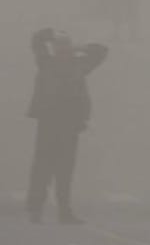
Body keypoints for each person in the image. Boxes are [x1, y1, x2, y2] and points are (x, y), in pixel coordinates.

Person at [26, 28, 108, 224]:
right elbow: (37, 40)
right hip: (48, 122)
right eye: (59, 45)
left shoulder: (78, 64)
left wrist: (77, 46)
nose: (62, 49)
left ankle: (64, 211)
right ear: (53, 47)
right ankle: (35, 210)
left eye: (65, 45)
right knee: (42, 168)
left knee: (64, 169)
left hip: (70, 124)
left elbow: (101, 51)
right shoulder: (46, 62)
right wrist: (52, 34)